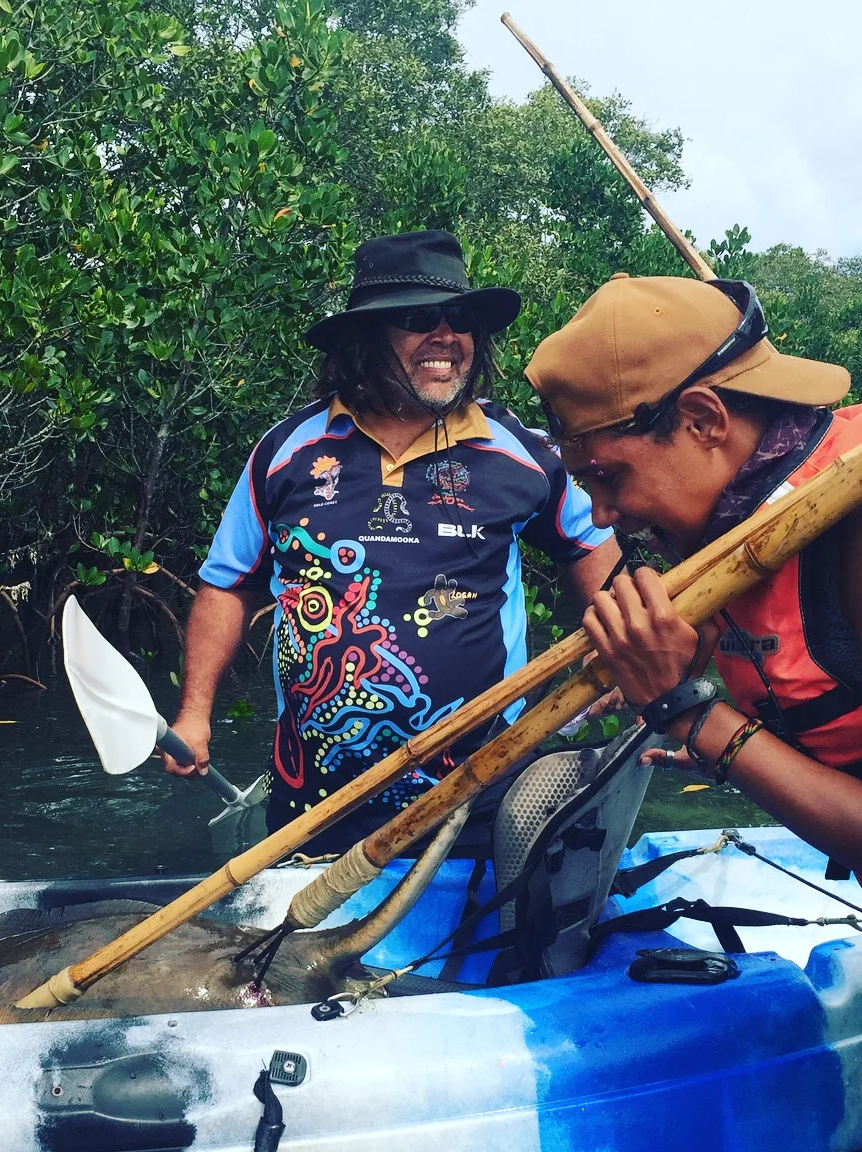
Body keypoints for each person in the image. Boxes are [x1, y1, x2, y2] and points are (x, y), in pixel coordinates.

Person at [165, 230, 618, 856]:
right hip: (315, 799)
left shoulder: (524, 452)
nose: (445, 335)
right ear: (366, 336)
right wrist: (194, 714)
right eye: (416, 318)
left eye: (459, 318)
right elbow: (229, 583)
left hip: (478, 792)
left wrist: (620, 642)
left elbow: (590, 541)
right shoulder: (286, 451)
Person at [525, 272, 862, 870]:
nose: (602, 514)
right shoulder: (737, 536)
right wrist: (755, 754)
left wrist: (688, 711)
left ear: (704, 421)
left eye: (610, 476)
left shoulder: (849, 524)